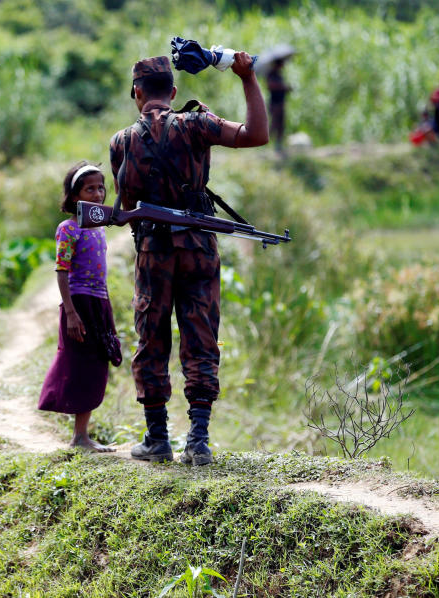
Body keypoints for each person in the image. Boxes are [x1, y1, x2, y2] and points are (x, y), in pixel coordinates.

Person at [110, 53, 268, 466]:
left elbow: (125, 202)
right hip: (199, 250)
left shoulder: (121, 141)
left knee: (152, 338)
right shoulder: (197, 123)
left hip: (153, 254)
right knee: (201, 338)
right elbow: (256, 134)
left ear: (137, 93)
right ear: (174, 91)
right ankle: (198, 440)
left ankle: (157, 437)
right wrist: (247, 77)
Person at [38, 161, 121, 452]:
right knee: (79, 364)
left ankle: (82, 435)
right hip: (79, 303)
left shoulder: (99, 228)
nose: (98, 194)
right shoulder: (68, 229)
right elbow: (62, 271)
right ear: (75, 196)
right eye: (90, 189)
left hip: (99, 302)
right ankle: (80, 437)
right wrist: (71, 312)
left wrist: (107, 311)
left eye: (101, 188)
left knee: (97, 364)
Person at [265, 58, 291, 154]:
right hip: (275, 103)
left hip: (280, 102)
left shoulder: (279, 74)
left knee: (281, 125)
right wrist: (283, 87)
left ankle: (278, 145)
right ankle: (265, 142)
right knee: (274, 123)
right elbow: (270, 85)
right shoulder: (271, 74)